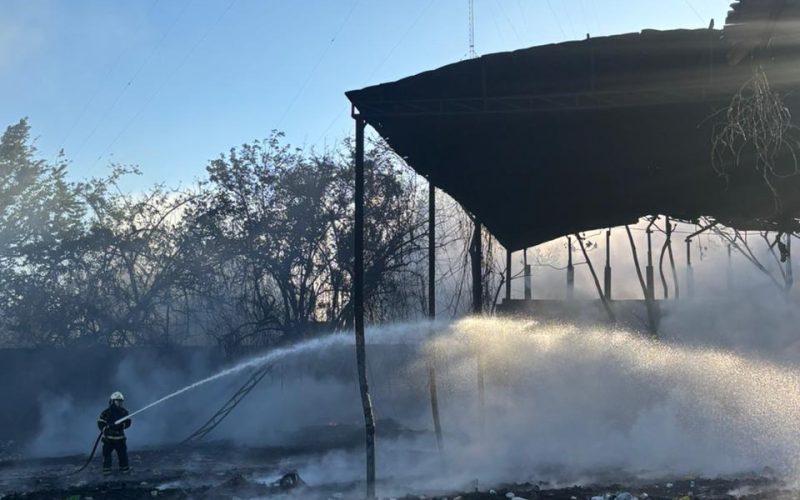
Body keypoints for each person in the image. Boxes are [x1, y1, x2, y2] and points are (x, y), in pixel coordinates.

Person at [97, 391, 131, 475]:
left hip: (120, 439)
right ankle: (107, 473)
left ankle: (125, 472)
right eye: (118, 401)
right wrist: (106, 428)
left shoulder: (124, 412)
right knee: (107, 456)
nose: (120, 403)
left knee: (123, 456)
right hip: (108, 440)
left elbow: (128, 422)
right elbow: (100, 423)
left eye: (121, 401)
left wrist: (121, 426)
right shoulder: (106, 413)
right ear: (112, 401)